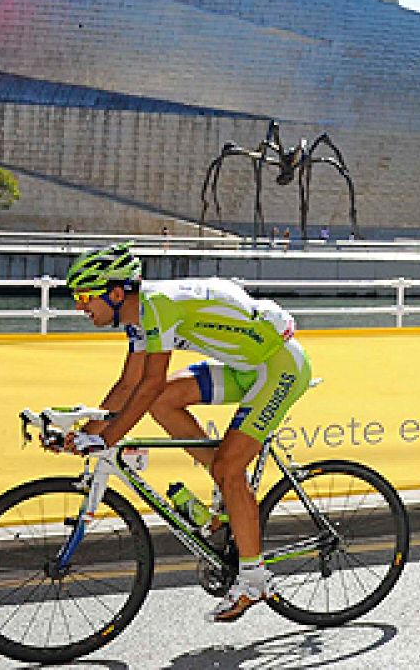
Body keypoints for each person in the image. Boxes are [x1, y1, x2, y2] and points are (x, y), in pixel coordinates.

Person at [62, 241, 310, 622]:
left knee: (227, 466)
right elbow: (127, 385)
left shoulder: (157, 308)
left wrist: (105, 438)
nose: (80, 307)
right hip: (245, 364)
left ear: (115, 292)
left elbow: (147, 383)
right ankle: (230, 490)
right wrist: (84, 434)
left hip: (278, 366)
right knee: (165, 403)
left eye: (84, 297)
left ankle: (254, 580)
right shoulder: (139, 316)